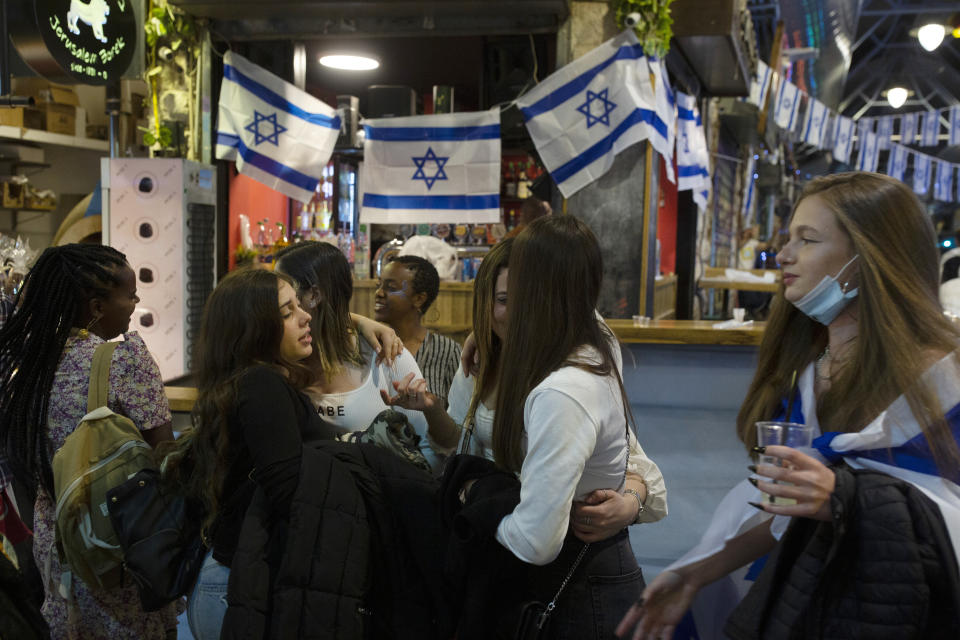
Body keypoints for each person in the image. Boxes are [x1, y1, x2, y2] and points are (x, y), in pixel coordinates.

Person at [618, 172, 960, 639]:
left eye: (807, 239)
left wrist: (849, 499)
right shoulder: (807, 374)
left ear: (867, 258)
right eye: (789, 237)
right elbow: (780, 512)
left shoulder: (949, 381)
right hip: (809, 599)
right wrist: (695, 573)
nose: (783, 255)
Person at [455, 215, 654, 638]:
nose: (507, 305)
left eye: (519, 288)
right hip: (585, 577)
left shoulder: (562, 391)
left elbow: (536, 541)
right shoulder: (592, 340)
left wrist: (478, 503)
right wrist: (486, 332)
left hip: (579, 586)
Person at [0, 244, 178, 639]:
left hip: (56, 540)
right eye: (129, 295)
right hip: (118, 542)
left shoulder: (27, 363)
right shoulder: (125, 362)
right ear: (97, 307)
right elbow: (164, 455)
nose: (135, 302)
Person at [162, 268, 343, 639]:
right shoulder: (261, 384)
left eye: (300, 304)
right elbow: (289, 492)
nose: (306, 316)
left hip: (234, 582)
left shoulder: (250, 380)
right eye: (287, 311)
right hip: (237, 588)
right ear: (255, 326)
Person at [275, 242, 446, 471]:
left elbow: (429, 448)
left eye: (282, 284)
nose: (272, 294)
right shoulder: (276, 358)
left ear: (314, 295)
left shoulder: (385, 352)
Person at [373, 254, 462, 408]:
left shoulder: (448, 351)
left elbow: (459, 416)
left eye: (391, 288)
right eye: (379, 285)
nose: (378, 293)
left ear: (419, 299)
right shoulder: (370, 344)